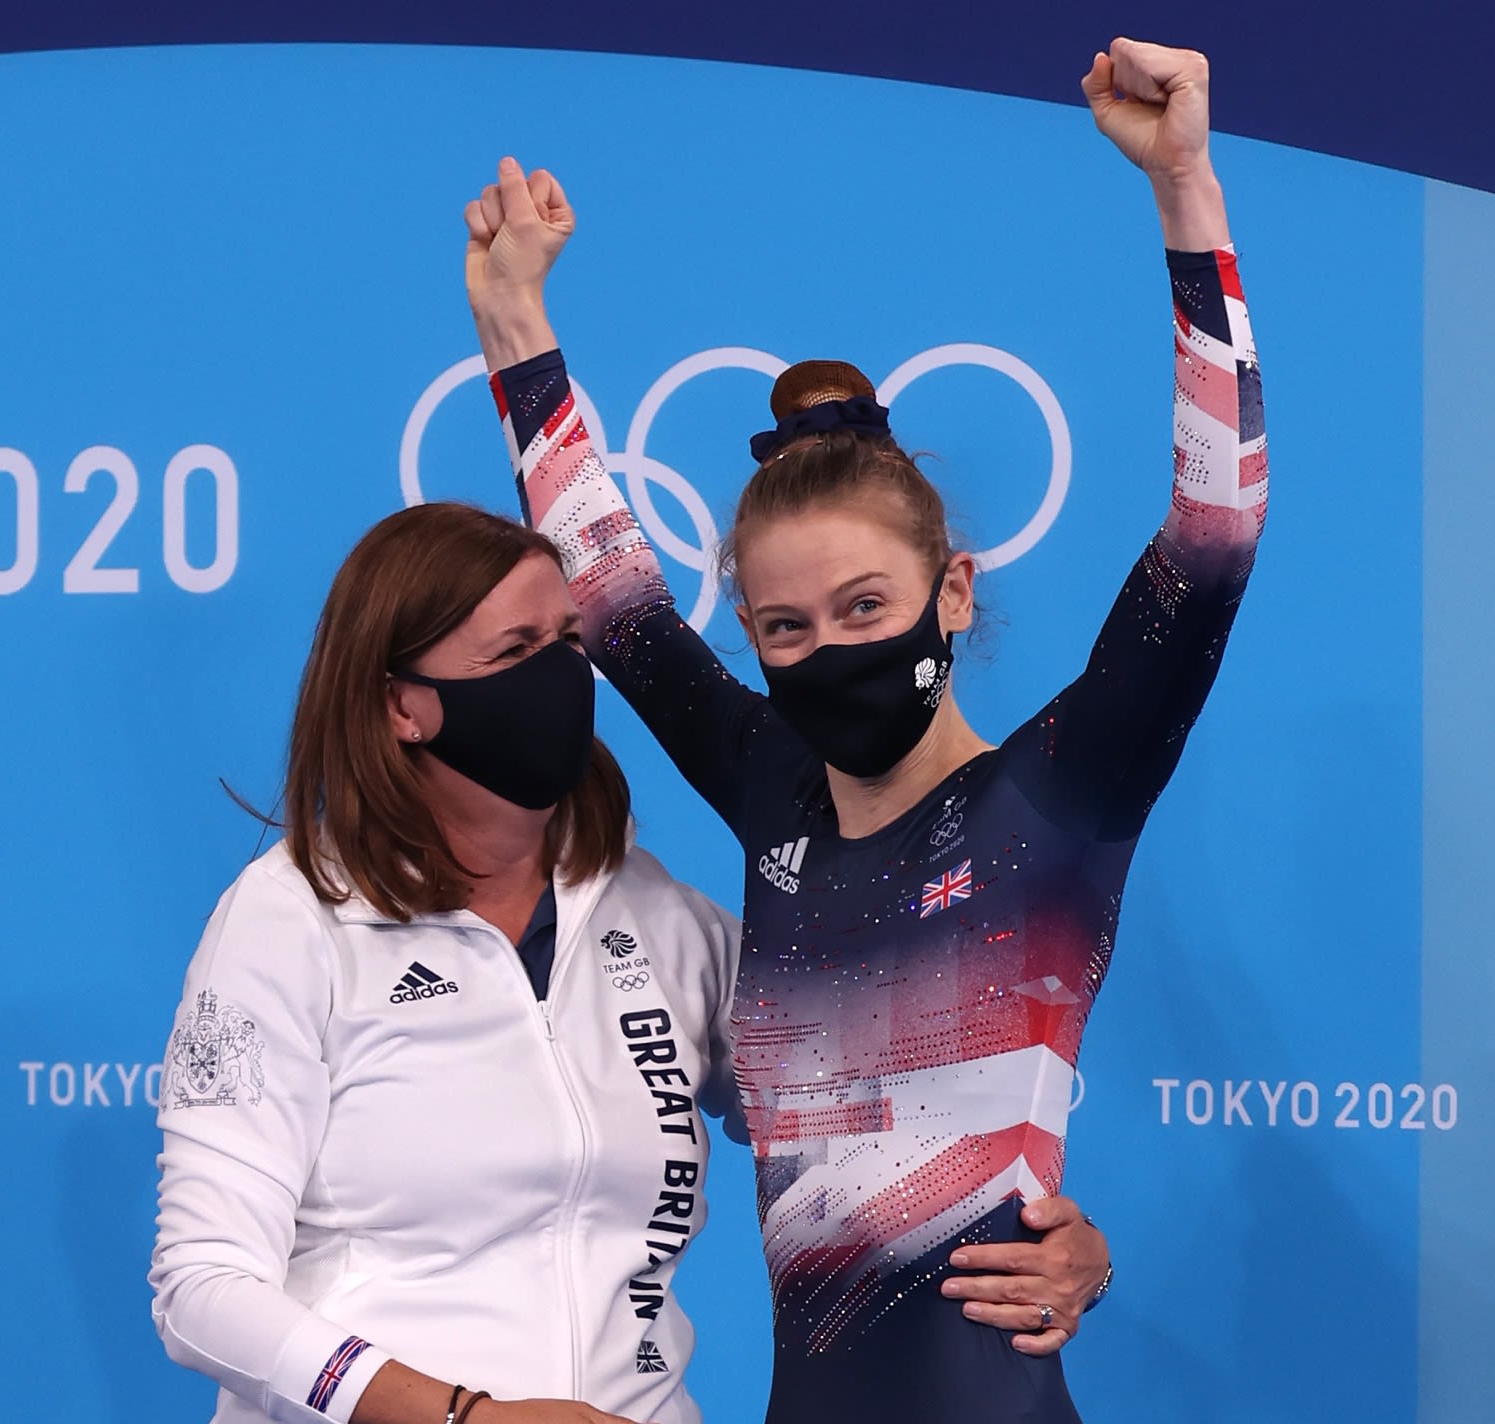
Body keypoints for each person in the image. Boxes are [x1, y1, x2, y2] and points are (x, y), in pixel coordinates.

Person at [461, 37, 1258, 1424]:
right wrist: (516, 328)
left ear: (952, 593)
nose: (826, 650)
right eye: (785, 629)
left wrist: (1186, 190)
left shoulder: (1060, 801)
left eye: (864, 605)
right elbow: (609, 589)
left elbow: (1215, 530)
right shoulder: (775, 792)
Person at [147, 505, 1110, 1423]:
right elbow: (203, 1291)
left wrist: (1062, 1249)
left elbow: (887, 1102)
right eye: (516, 653)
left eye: (569, 642)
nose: (561, 677)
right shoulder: (290, 923)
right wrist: (463, 1415)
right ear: (404, 706)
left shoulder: (657, 920)